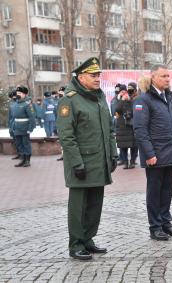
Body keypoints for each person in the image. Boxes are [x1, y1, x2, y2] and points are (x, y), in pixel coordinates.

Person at [56, 57, 118, 260]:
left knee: (95, 204)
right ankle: (75, 244)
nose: (97, 78)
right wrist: (76, 163)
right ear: (81, 77)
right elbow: (66, 136)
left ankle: (88, 239)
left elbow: (109, 130)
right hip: (81, 163)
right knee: (78, 206)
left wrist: (113, 153)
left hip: (99, 162)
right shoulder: (70, 100)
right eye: (93, 75)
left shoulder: (99, 97)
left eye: (99, 75)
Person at [133, 64, 172, 241]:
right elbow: (140, 129)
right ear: (153, 77)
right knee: (154, 192)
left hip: (170, 152)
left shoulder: (169, 97)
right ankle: (155, 227)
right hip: (155, 154)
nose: (167, 79)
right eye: (163, 76)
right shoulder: (144, 99)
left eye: (168, 76)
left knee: (167, 191)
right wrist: (149, 154)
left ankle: (165, 224)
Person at [10, 86, 36, 167]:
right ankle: (22, 159)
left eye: (20, 93)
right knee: (19, 144)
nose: (18, 94)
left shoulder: (27, 104)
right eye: (17, 93)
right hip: (17, 127)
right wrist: (12, 127)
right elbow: (13, 118)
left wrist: (30, 128)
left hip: (25, 128)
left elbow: (32, 117)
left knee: (26, 144)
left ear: (25, 94)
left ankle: (27, 160)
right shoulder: (14, 104)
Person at [115, 84, 137, 169]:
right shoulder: (118, 100)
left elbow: (133, 109)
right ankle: (125, 162)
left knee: (133, 145)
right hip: (122, 126)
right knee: (123, 146)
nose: (124, 93)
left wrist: (129, 100)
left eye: (125, 91)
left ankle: (132, 162)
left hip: (131, 126)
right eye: (122, 91)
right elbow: (117, 109)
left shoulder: (132, 99)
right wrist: (122, 100)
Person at [8, 90, 20, 160]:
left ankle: (23, 155)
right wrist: (9, 126)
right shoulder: (11, 104)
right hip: (13, 124)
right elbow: (9, 116)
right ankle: (19, 154)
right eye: (13, 96)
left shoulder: (21, 103)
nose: (14, 97)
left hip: (20, 124)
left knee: (20, 141)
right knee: (15, 140)